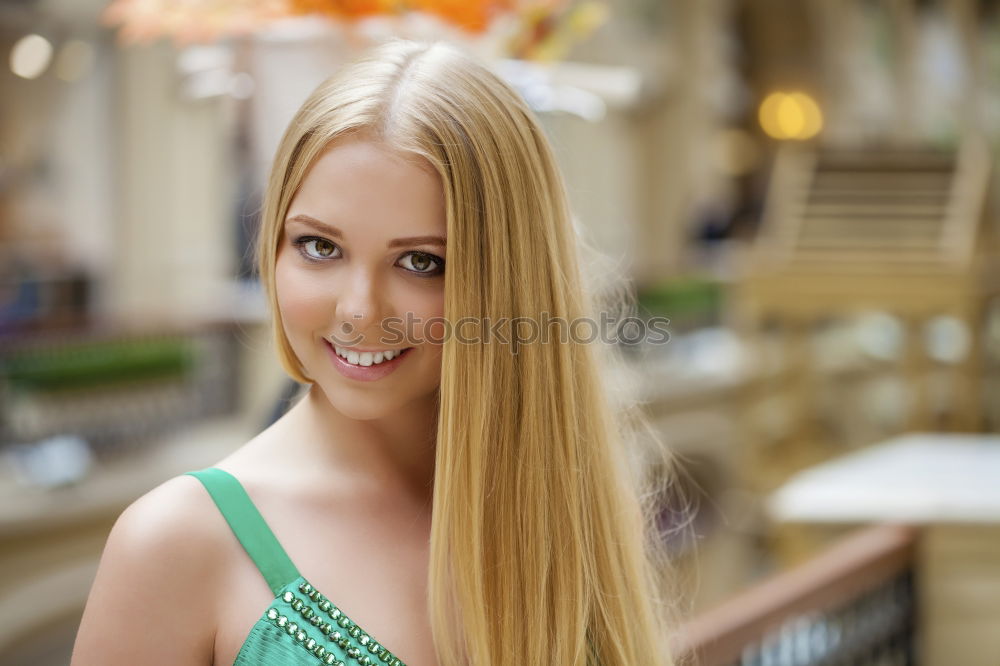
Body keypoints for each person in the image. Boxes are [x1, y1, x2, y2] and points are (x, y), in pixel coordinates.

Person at [72, 39, 675, 666]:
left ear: (511, 281)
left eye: (422, 262)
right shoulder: (176, 543)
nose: (359, 311)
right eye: (319, 248)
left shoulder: (564, 506)